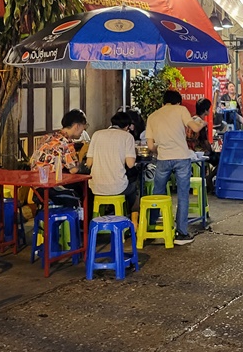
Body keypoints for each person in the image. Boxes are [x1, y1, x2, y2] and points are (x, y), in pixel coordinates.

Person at [145, 90, 206, 245]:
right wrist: (203, 122)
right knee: (183, 195)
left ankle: (151, 228)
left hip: (163, 159)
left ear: (163, 102)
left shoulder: (153, 116)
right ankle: (181, 233)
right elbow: (195, 128)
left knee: (157, 193)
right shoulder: (181, 110)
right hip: (181, 157)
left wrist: (162, 148)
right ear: (178, 102)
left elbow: (151, 146)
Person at [86, 110, 139, 220]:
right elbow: (130, 164)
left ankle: (102, 218)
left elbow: (89, 163)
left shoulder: (97, 134)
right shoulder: (127, 137)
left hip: (95, 187)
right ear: (127, 126)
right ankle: (133, 223)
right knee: (135, 189)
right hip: (118, 187)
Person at [31, 108, 87, 206]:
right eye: (84, 127)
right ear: (77, 126)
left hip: (36, 187)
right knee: (85, 191)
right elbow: (73, 170)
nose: (83, 131)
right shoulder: (66, 143)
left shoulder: (48, 137)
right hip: (52, 187)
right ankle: (84, 220)